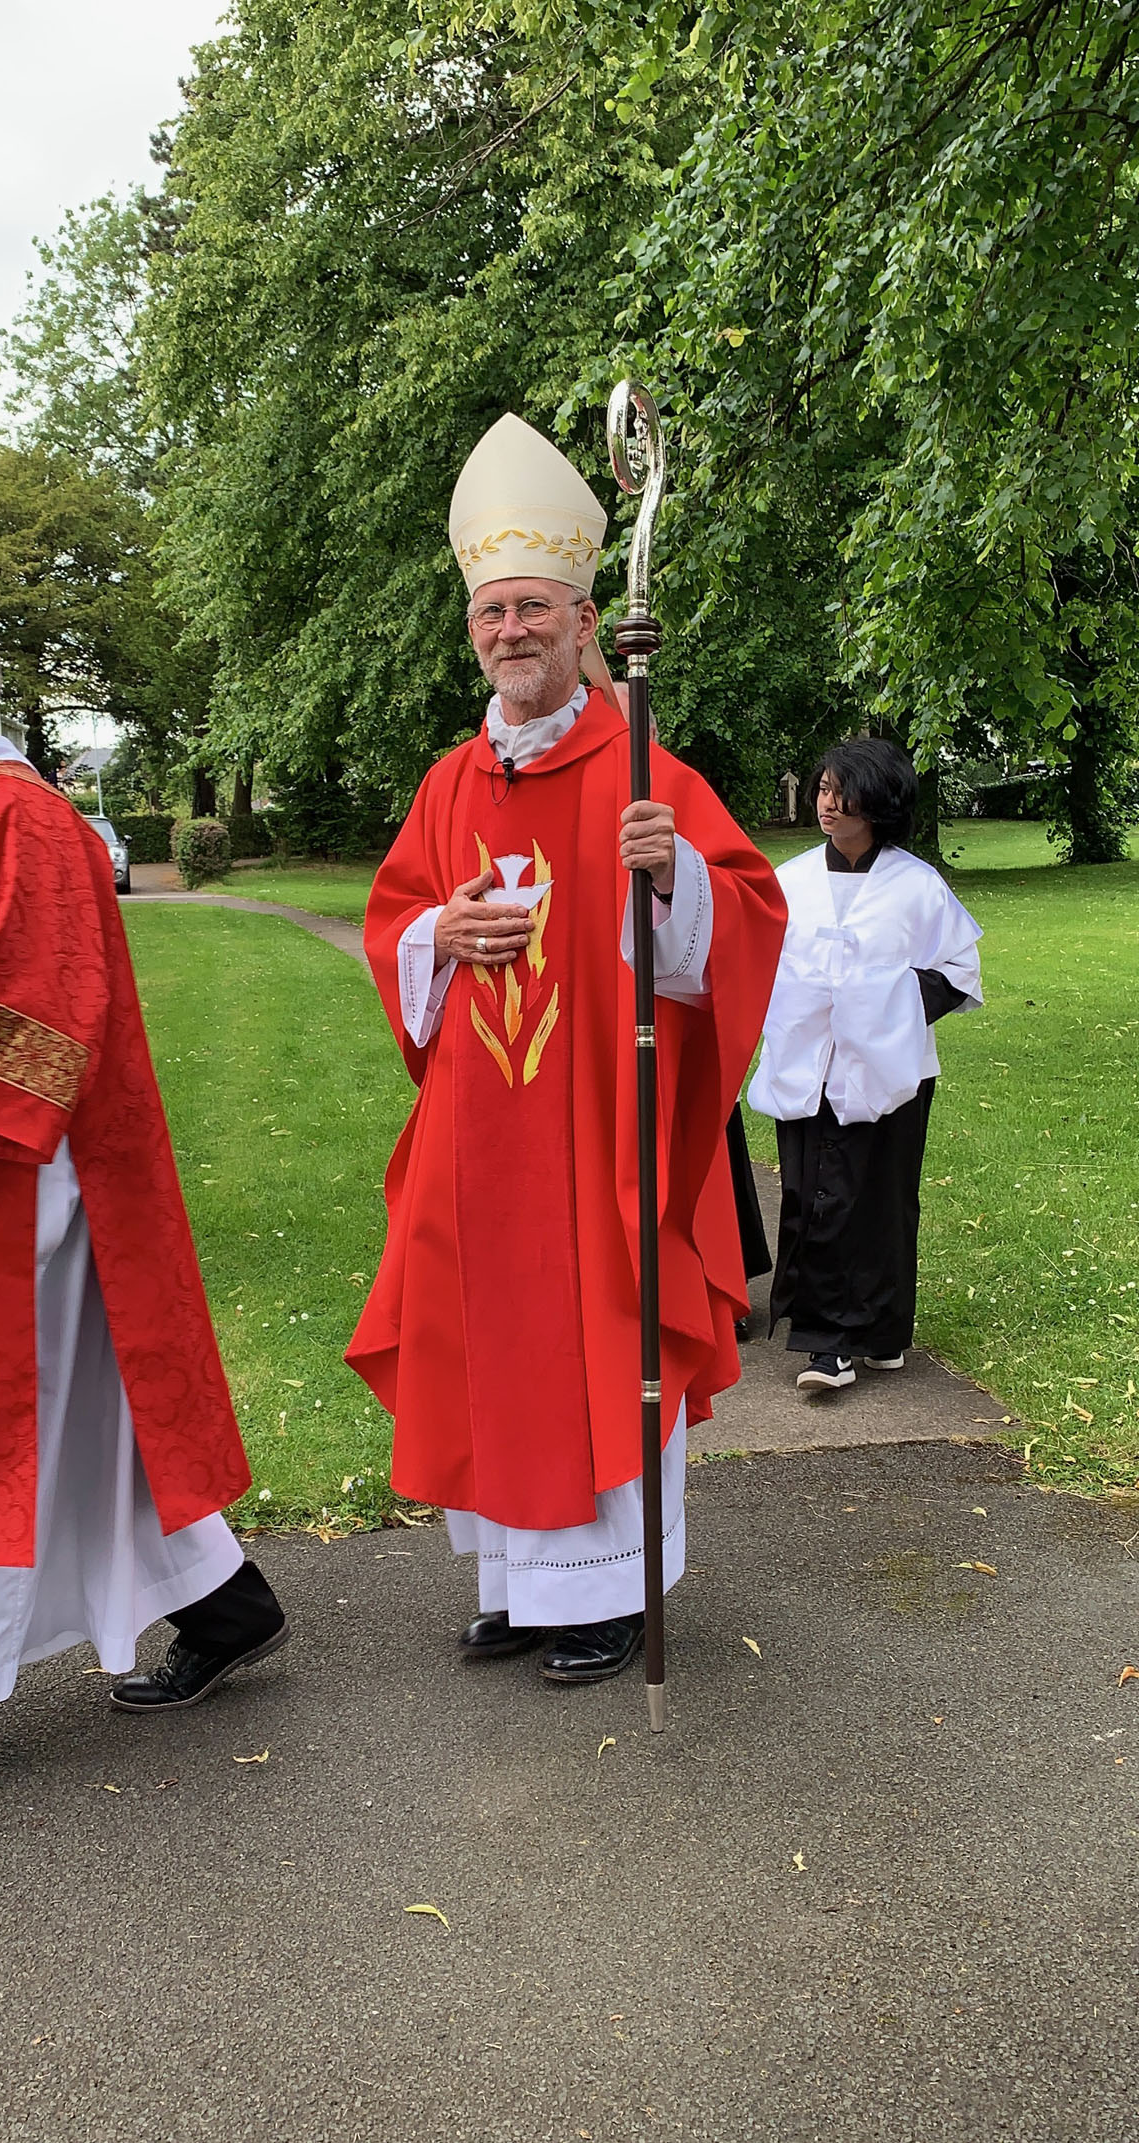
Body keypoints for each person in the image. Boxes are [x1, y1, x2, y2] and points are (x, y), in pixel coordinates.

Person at [347, 413, 786, 1684]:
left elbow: (748, 917)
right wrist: (438, 932)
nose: (510, 630)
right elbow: (392, 924)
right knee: (487, 1342)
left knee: (602, 1330)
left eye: (532, 608)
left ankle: (604, 1590)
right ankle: (516, 1582)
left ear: (585, 622)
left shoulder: (644, 768)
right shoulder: (447, 784)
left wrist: (675, 875)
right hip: (477, 1139)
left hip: (601, 1130)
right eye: (491, 613)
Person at [0, 585, 288, 1808]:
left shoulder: (10, 816)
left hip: (5, 1180)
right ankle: (226, 1605)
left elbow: (6, 1024)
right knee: (93, 1420)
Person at [748, 736, 982, 1391]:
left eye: (841, 792)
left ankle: (882, 1331)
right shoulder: (790, 882)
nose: (827, 803)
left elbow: (958, 972)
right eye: (823, 789)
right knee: (816, 1195)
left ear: (877, 801)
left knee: (883, 1199)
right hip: (808, 1064)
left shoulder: (917, 886)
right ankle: (828, 1343)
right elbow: (757, 964)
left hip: (890, 1070)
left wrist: (884, 1008)